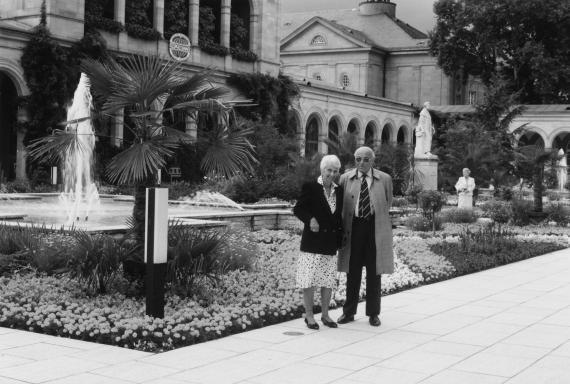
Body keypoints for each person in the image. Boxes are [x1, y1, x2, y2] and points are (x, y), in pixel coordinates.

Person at [337, 146, 393, 327]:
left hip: (374, 228)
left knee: (373, 272)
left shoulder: (384, 179)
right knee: (352, 272)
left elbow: (387, 203)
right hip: (353, 229)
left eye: (366, 159)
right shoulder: (345, 178)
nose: (361, 162)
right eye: (358, 159)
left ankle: (373, 313)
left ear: (372, 161)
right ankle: (349, 312)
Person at [293, 154, 344, 330]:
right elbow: (298, 209)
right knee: (309, 280)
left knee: (327, 280)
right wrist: (311, 219)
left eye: (335, 171)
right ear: (322, 170)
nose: (332, 173)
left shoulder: (340, 190)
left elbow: (339, 217)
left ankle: (325, 315)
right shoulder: (311, 187)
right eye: (329, 170)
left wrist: (340, 238)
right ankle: (308, 315)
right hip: (312, 242)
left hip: (330, 242)